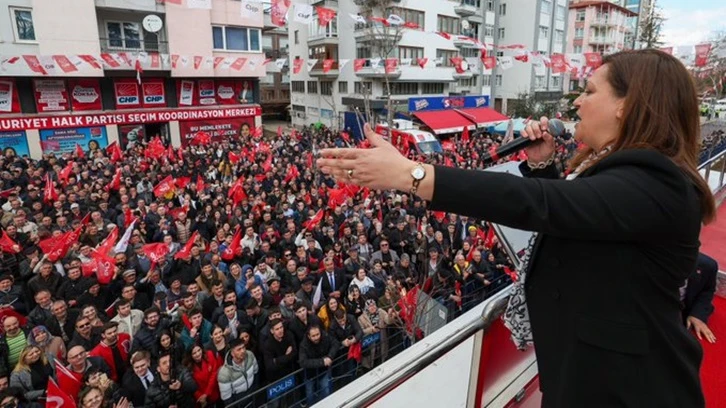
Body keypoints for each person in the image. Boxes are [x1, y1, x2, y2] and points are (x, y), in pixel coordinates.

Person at [317, 49, 715, 407]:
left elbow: (544, 206)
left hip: (631, 389)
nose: (577, 101)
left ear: (626, 106)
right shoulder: (633, 177)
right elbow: (585, 223)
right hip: (593, 377)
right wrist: (544, 167)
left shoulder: (656, 183)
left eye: (590, 91)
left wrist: (412, 174)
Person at [682, 252, 718, 343]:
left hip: (684, 311)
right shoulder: (648, 260)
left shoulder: (707, 265)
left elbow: (707, 291)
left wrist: (697, 315)